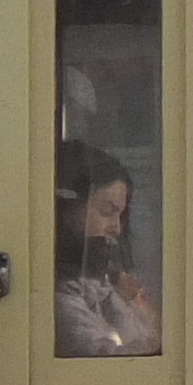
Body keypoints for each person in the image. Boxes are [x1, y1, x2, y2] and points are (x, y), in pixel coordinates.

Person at [53, 141, 162, 357]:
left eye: (120, 216)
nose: (116, 229)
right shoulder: (57, 294)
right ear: (64, 210)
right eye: (106, 211)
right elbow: (104, 356)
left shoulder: (106, 284)